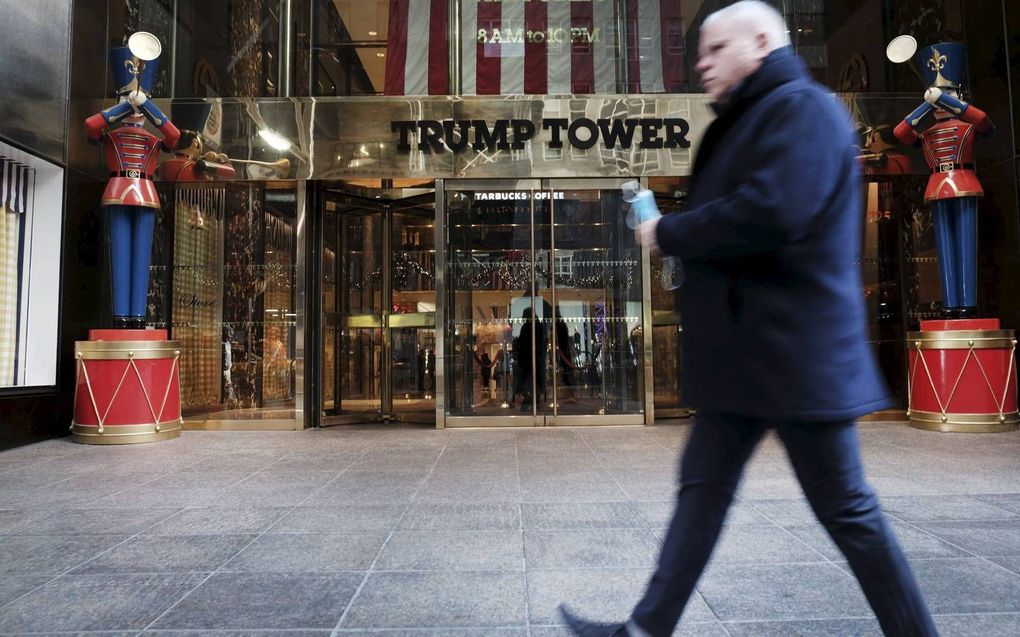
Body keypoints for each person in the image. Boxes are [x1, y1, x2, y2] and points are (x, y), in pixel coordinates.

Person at [559, 3, 937, 636]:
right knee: (702, 493)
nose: (700, 64)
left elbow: (774, 211)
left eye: (714, 49)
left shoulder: (804, 109)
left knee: (846, 509)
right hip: (751, 358)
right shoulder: (752, 117)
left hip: (794, 359)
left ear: (762, 41)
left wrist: (668, 230)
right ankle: (644, 630)